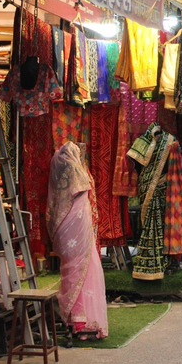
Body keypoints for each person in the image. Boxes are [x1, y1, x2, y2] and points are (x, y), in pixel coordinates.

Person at [47, 142, 108, 339]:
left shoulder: (58, 174)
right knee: (85, 270)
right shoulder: (76, 172)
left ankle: (75, 321)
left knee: (72, 272)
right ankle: (82, 322)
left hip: (64, 234)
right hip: (78, 233)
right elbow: (82, 202)